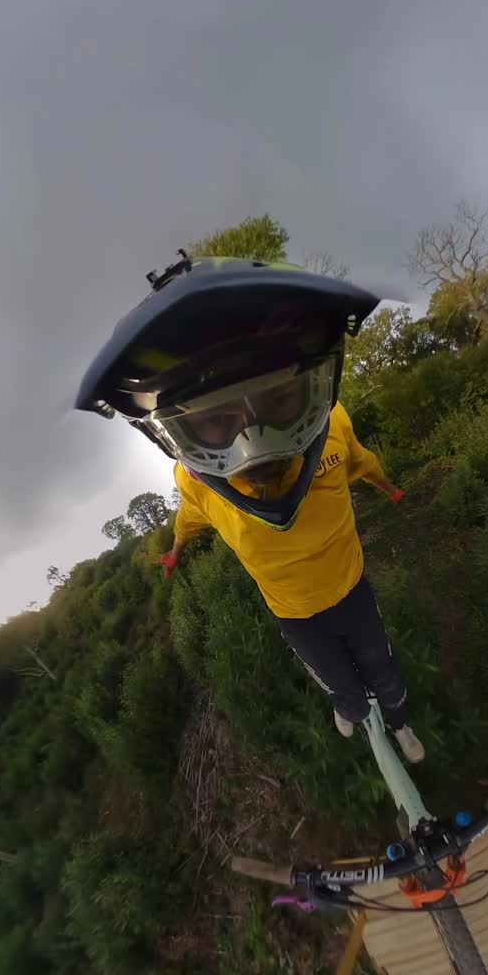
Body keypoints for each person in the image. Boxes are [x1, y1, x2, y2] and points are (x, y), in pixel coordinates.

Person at [76, 253, 424, 762]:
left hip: (350, 586)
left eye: (277, 399)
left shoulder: (335, 427)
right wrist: (175, 551)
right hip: (295, 614)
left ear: (315, 387)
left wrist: (389, 488)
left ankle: (399, 722)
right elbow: (188, 520)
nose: (253, 444)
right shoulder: (195, 482)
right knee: (341, 686)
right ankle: (350, 707)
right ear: (179, 435)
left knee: (384, 673)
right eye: (216, 420)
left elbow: (363, 462)